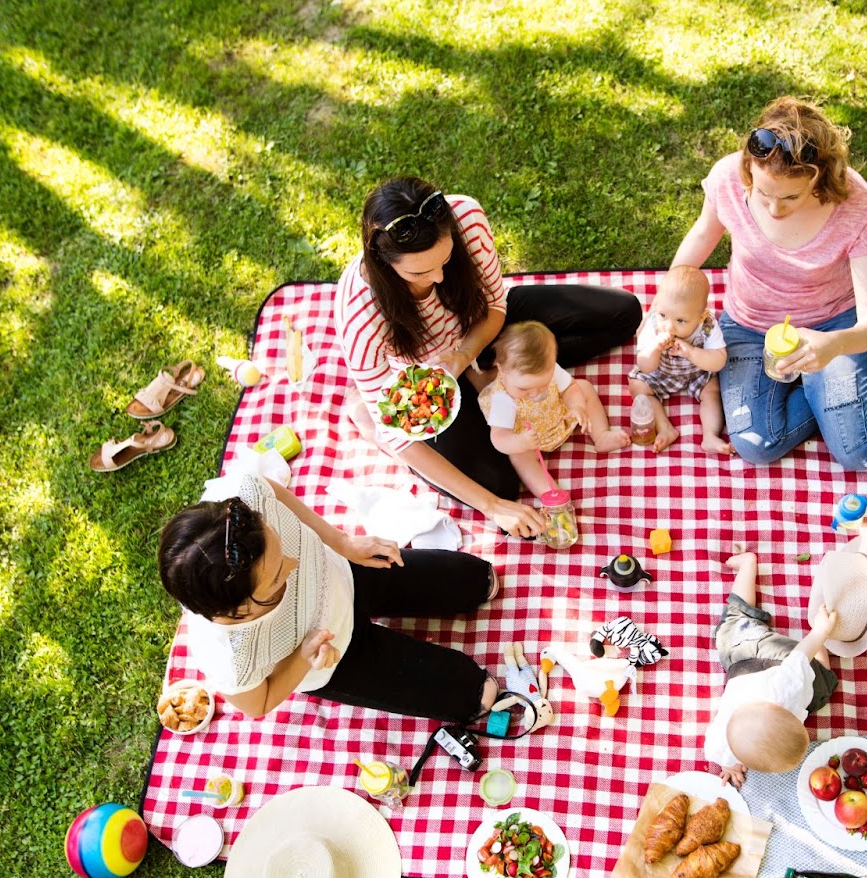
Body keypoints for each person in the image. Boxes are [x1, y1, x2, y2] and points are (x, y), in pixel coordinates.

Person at [337, 177, 641, 536]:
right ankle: (365, 418)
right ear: (383, 262)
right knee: (501, 486)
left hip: (485, 333)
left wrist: (468, 355)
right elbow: (401, 436)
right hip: (436, 382)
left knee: (625, 313)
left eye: (447, 261)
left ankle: (513, 374)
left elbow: (496, 305)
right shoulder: (360, 315)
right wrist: (493, 507)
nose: (437, 278)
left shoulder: (466, 216)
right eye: (418, 273)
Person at [672, 97, 867, 470]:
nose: (774, 209)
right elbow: (702, 237)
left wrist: (835, 346)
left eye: (790, 197)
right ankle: (833, 389)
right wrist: (665, 303)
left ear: (819, 176)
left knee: (859, 454)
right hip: (749, 327)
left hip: (832, 327)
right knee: (756, 444)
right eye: (762, 192)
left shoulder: (857, 205)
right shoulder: (728, 179)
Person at [157, 469, 501, 721]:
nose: (293, 563)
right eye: (278, 576)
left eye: (283, 545)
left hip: (346, 572)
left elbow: (273, 491)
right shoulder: (228, 657)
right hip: (333, 656)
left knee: (479, 578)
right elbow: (258, 704)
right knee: (476, 694)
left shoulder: (242, 498)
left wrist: (342, 542)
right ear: (240, 610)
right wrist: (302, 657)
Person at [706, 551, 839, 788]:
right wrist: (729, 764)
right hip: (749, 656)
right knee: (733, 623)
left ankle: (748, 564)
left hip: (766, 654)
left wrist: (820, 632)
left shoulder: (785, 688)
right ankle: (747, 565)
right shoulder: (720, 745)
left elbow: (801, 655)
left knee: (824, 685)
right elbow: (727, 757)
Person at [481, 321, 629, 498]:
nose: (535, 393)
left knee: (584, 387)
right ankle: (551, 493)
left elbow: (569, 388)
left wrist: (577, 407)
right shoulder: (502, 398)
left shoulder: (549, 370)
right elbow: (499, 437)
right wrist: (519, 442)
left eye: (543, 384)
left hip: (556, 414)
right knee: (519, 457)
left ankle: (601, 434)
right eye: (524, 389)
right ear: (501, 370)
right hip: (528, 436)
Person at [631, 265, 732, 454]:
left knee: (712, 391)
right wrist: (654, 348)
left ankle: (710, 435)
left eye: (680, 321)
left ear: (701, 316)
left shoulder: (708, 326)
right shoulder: (654, 326)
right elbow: (644, 366)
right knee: (638, 387)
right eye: (663, 315)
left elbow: (719, 360)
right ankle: (665, 428)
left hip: (697, 373)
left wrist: (692, 352)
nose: (668, 326)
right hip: (661, 373)